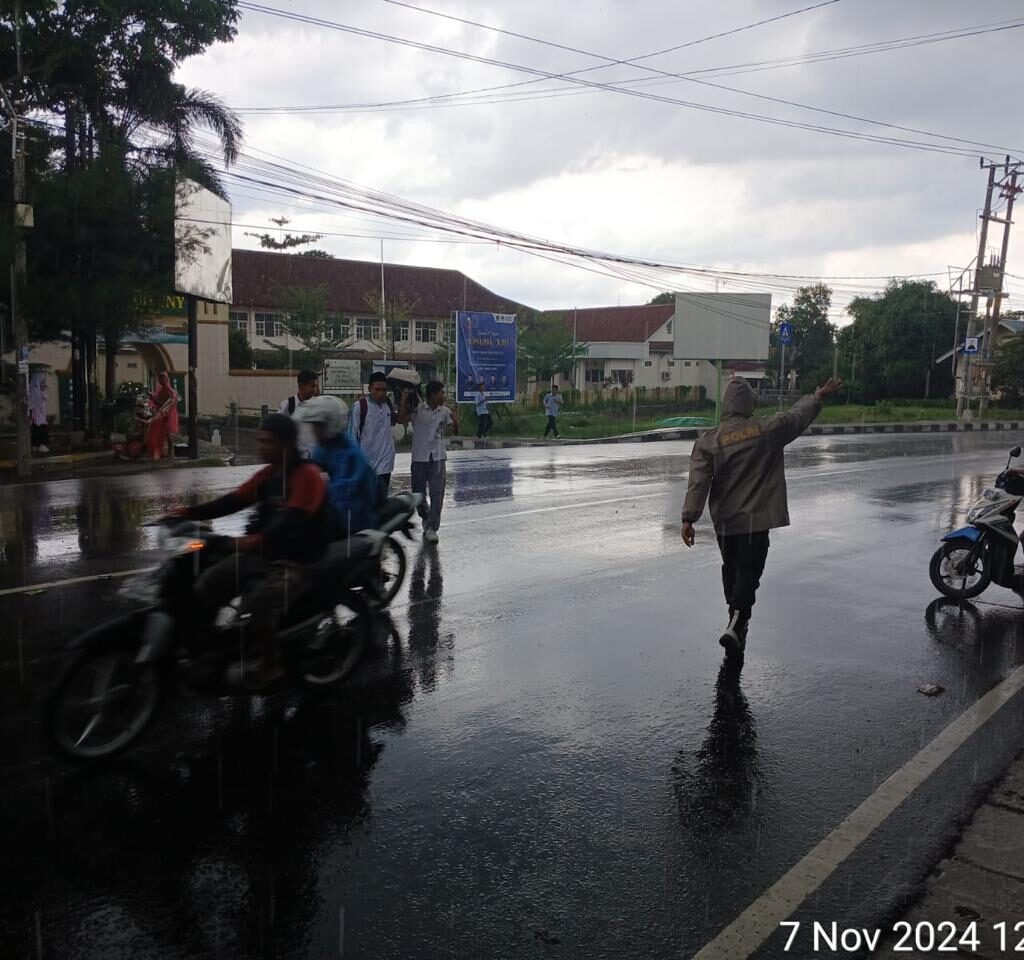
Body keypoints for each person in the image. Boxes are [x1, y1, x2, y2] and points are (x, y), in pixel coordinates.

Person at [680, 376, 843, 658]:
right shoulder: (766, 430)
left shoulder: (709, 441)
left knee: (731, 569)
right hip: (756, 518)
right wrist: (818, 395)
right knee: (749, 571)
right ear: (749, 404)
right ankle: (739, 620)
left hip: (726, 521)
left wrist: (688, 519)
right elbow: (796, 417)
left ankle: (734, 620)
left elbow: (698, 483)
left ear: (724, 405)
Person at [173, 413, 335, 691]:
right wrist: (187, 514)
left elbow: (289, 522)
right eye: (259, 440)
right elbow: (233, 500)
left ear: (286, 444)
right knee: (209, 581)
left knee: (260, 602)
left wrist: (250, 543)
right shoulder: (270, 475)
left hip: (297, 561)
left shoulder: (307, 476)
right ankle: (211, 649)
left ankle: (272, 665)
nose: (260, 446)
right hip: (266, 554)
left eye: (267, 441)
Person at [295, 395, 378, 538]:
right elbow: (312, 468)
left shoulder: (349, 453)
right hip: (338, 511)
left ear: (329, 424)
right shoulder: (324, 447)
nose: (315, 431)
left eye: (318, 426)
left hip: (356, 516)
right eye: (314, 426)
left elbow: (343, 492)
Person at [398, 380, 459, 543]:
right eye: (441, 393)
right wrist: (404, 399)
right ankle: (425, 515)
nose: (444, 396)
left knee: (437, 494)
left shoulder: (444, 411)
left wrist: (456, 421)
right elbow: (401, 418)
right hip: (419, 456)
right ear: (432, 394)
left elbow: (454, 429)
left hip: (438, 457)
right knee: (419, 494)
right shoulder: (418, 410)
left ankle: (432, 527)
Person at [351, 371, 398, 504]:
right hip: (366, 464)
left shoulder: (388, 405)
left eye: (384, 390)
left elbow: (396, 421)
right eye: (377, 389)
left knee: (381, 502)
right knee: (366, 502)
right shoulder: (360, 407)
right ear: (369, 389)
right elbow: (352, 436)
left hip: (385, 463)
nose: (381, 393)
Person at [279, 369, 320, 459]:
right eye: (312, 386)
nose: (315, 390)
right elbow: (277, 430)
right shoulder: (288, 405)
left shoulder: (319, 405)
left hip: (315, 461)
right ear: (301, 385)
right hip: (296, 461)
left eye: (316, 386)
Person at [146, 371, 180, 460]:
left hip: (167, 414)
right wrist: (153, 398)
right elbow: (158, 401)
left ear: (166, 379)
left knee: (167, 433)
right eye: (160, 379)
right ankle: (160, 451)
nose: (161, 381)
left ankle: (170, 452)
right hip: (161, 413)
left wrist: (154, 399)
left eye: (163, 379)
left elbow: (166, 404)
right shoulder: (160, 390)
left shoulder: (170, 391)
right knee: (160, 433)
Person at [28, 372, 50, 454]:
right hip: (37, 415)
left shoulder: (39, 390)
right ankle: (39, 445)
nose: (43, 383)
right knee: (39, 428)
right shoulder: (35, 390)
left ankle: (37, 445)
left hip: (41, 415)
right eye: (42, 382)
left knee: (40, 428)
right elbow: (33, 402)